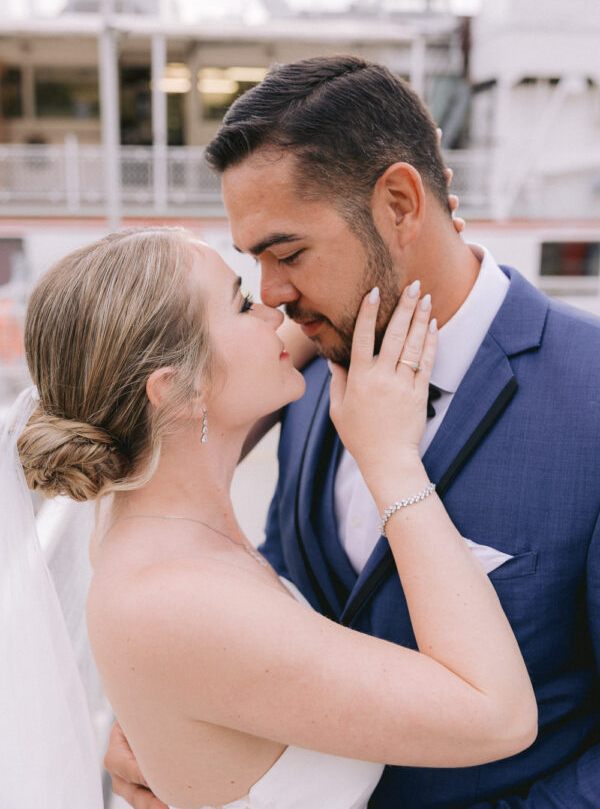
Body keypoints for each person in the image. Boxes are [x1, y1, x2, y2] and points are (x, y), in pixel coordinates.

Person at [107, 56, 600, 807]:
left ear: (401, 204)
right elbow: (289, 579)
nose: (272, 295)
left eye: (289, 252)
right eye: (254, 264)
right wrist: (176, 712)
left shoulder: (589, 396)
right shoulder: (306, 365)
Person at [11, 226, 537, 809]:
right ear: (176, 390)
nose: (273, 309)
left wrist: (393, 236)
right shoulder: (176, 600)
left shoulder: (139, 502)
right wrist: (392, 463)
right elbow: (500, 717)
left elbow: (255, 348)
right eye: (241, 303)